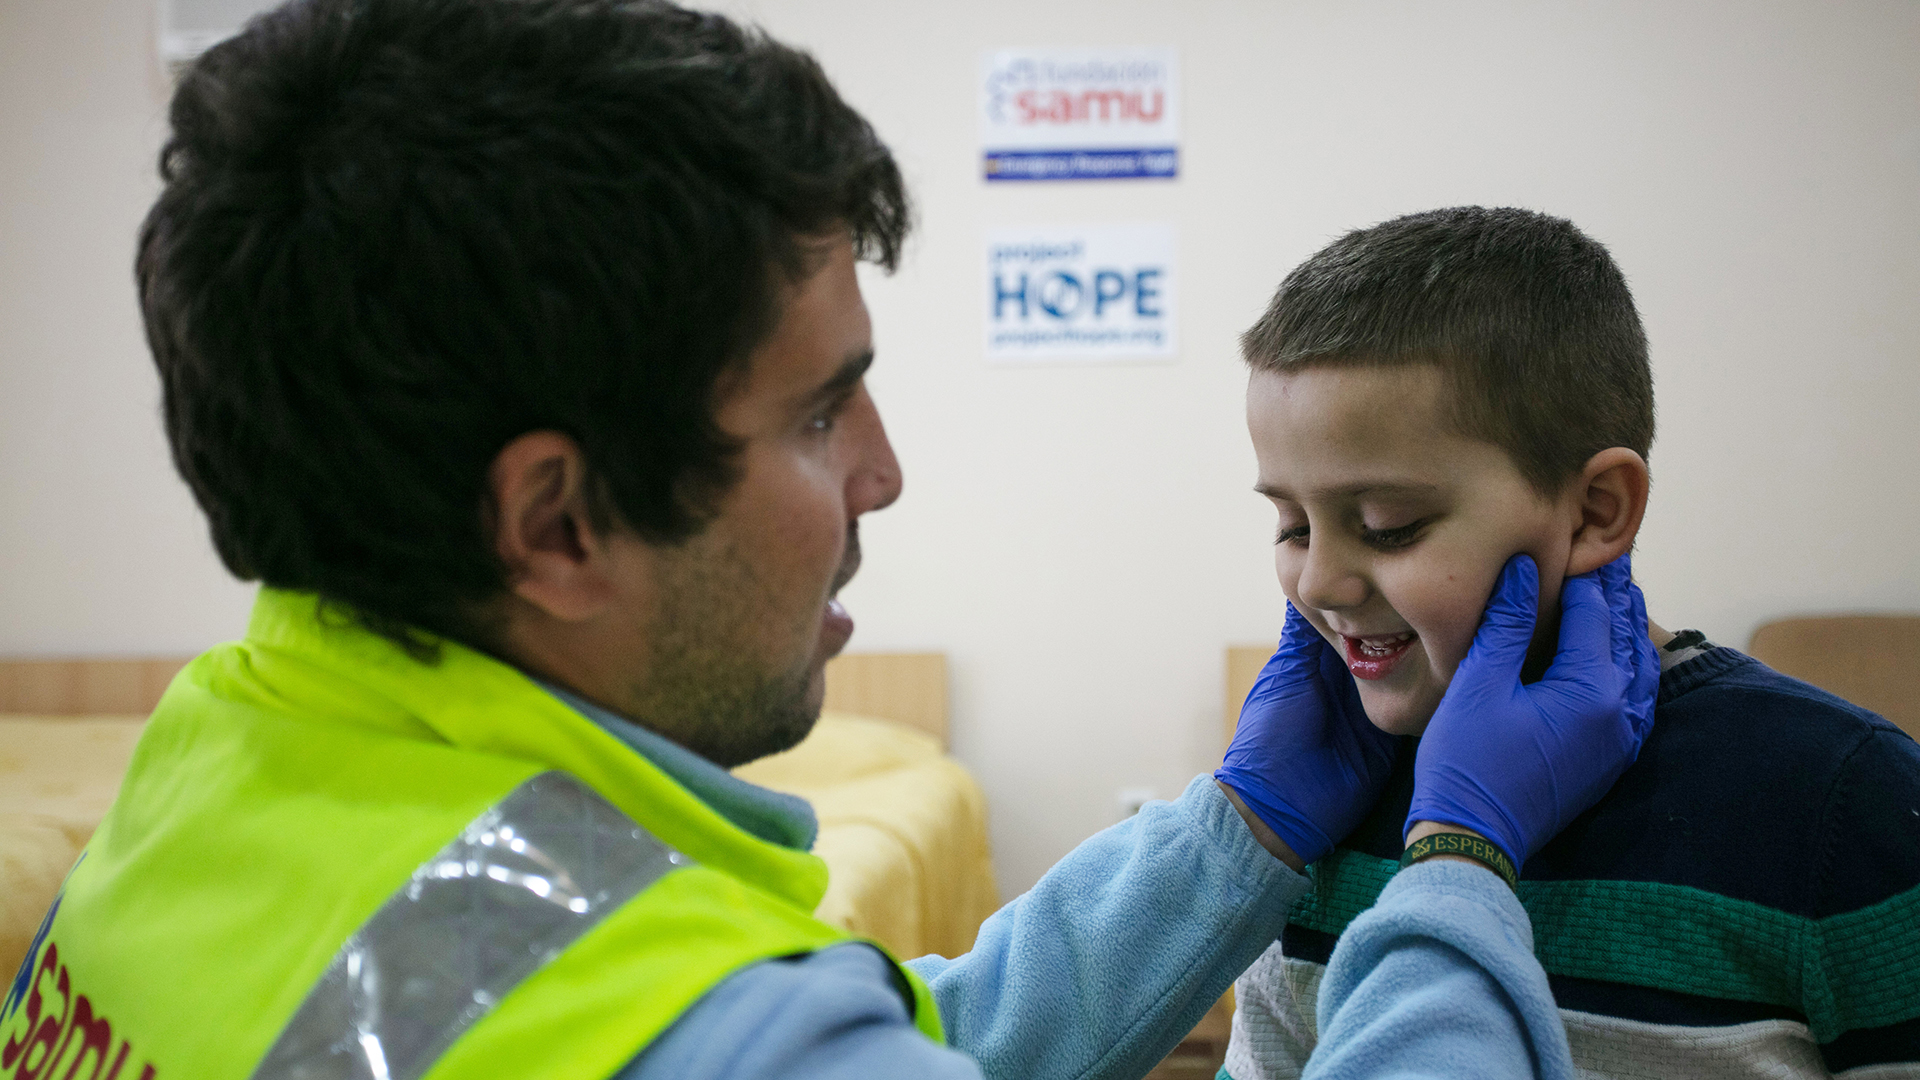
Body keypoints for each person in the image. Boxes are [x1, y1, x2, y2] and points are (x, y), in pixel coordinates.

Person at [0, 4, 1642, 1078]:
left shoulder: (211, 774)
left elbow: (907, 1043)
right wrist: (1456, 872)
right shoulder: (701, 1029)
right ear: (556, 522)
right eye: (815, 414)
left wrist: (1239, 835)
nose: (884, 472)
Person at [1220, 206, 1920, 1080]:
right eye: (1292, 525)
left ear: (1596, 511)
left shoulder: (1844, 801)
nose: (1320, 583)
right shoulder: (1316, 803)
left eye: (1388, 525)